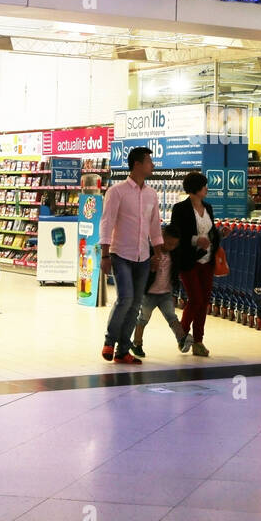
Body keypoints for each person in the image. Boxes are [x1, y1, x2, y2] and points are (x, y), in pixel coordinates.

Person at [99, 146, 164, 364]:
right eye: (149, 161)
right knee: (125, 298)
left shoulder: (151, 194)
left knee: (136, 304)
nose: (152, 165)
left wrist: (157, 253)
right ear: (137, 164)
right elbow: (106, 223)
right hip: (120, 254)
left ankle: (123, 351)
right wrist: (105, 255)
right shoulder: (116, 192)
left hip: (143, 257)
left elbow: (155, 226)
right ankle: (110, 341)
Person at [169, 170, 231, 357]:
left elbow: (210, 232)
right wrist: (196, 240)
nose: (207, 188)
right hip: (189, 260)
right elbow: (175, 234)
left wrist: (220, 233)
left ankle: (198, 341)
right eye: (204, 185)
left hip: (207, 260)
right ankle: (182, 335)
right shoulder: (180, 209)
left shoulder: (208, 208)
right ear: (196, 188)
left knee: (203, 302)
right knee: (195, 299)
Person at [132, 227, 190, 357]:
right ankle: (137, 343)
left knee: (172, 317)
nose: (171, 247)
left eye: (174, 245)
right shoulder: (149, 251)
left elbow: (180, 265)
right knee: (143, 318)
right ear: (161, 237)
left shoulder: (174, 254)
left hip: (166, 293)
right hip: (149, 294)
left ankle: (182, 340)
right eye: (169, 243)